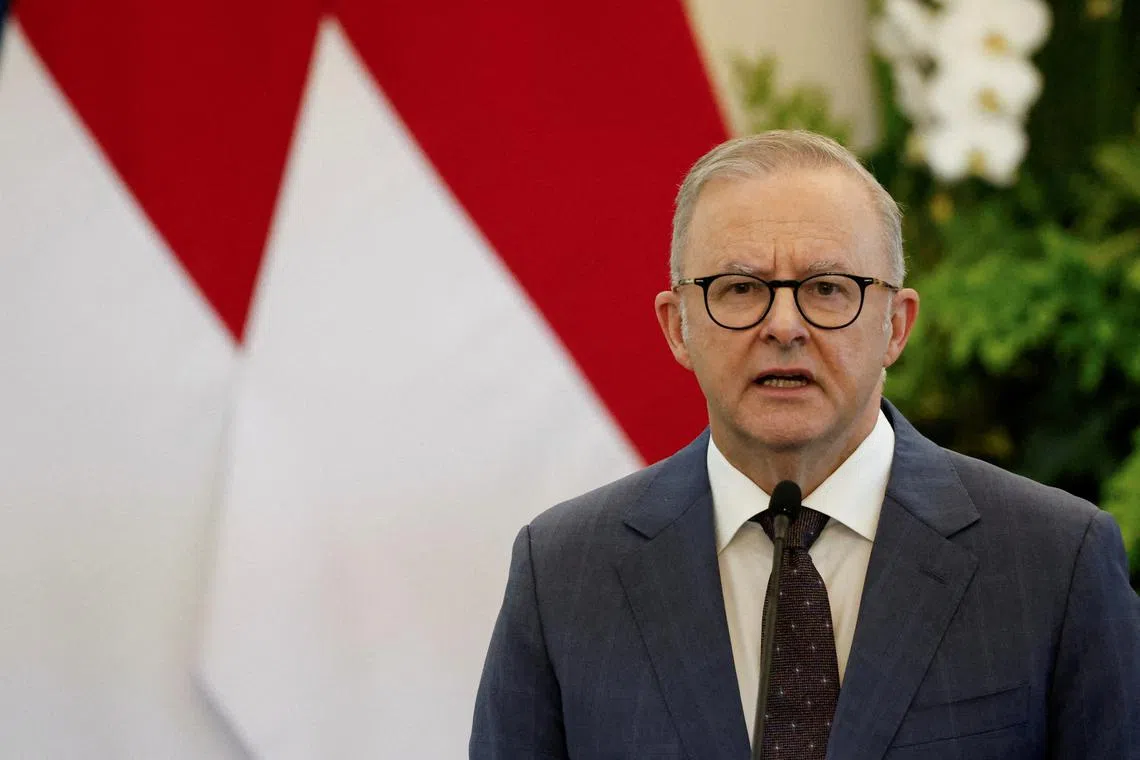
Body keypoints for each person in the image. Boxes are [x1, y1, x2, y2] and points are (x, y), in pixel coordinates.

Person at [469, 131, 1140, 759]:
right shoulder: (563, 573)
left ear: (895, 326)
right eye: (739, 289)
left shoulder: (1055, 562)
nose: (784, 326)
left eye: (826, 288)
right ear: (678, 329)